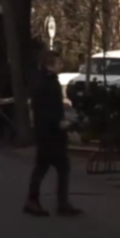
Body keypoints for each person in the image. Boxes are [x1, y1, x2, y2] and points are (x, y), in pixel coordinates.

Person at [24, 51, 81, 217]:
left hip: (49, 131)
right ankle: (51, 203)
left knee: (47, 167)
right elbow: (44, 109)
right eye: (58, 63)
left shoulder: (48, 81)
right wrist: (58, 123)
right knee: (54, 167)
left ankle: (42, 201)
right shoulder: (45, 84)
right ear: (49, 66)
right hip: (49, 132)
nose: (61, 66)